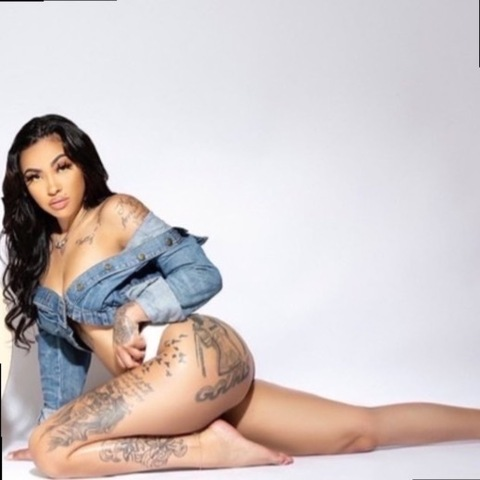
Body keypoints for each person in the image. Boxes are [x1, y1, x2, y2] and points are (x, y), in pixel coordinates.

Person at [2, 114, 479, 478]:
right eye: (35, 176)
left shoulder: (115, 213)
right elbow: (59, 350)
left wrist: (134, 311)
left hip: (191, 356)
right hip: (170, 394)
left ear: (82, 164)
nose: (52, 186)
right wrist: (52, 421)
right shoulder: (42, 256)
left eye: (62, 167)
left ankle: (208, 448)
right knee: (357, 433)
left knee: (52, 453)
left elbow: (199, 272)